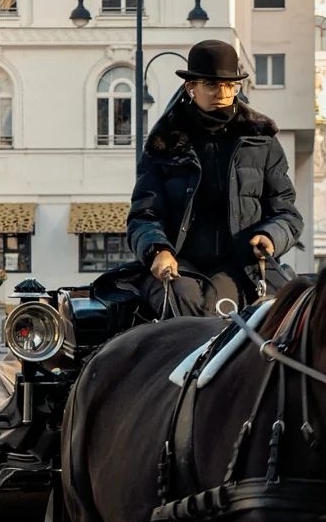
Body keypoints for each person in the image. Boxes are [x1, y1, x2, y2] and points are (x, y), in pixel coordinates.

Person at [127, 38, 303, 317]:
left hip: (242, 264)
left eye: (230, 85)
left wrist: (270, 236)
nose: (222, 92)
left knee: (219, 307)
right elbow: (143, 215)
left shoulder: (262, 141)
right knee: (181, 301)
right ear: (191, 88)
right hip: (177, 261)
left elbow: (288, 215)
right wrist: (157, 250)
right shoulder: (163, 144)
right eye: (211, 84)